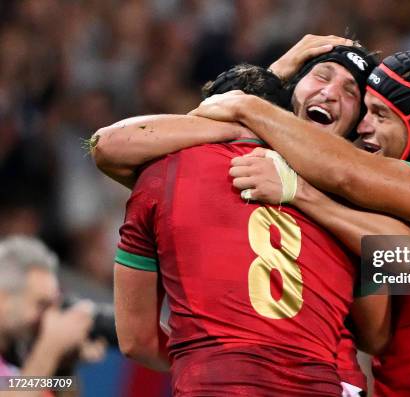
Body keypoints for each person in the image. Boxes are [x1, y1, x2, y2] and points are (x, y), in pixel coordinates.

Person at [191, 50, 410, 396]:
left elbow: (344, 173)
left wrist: (250, 107)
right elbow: (375, 338)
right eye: (365, 111)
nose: (363, 127)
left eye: (379, 115)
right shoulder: (404, 208)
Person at [93, 35, 388, 396]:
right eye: (322, 76)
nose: (330, 94)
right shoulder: (356, 203)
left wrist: (210, 361)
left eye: (349, 92)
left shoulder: (162, 173)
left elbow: (137, 341)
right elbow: (378, 331)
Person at [0, 236, 99, 397]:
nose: (49, 317)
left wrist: (63, 364)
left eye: (53, 306)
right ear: (3, 299)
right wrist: (49, 349)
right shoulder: (36, 358)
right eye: (41, 305)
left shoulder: (18, 355)